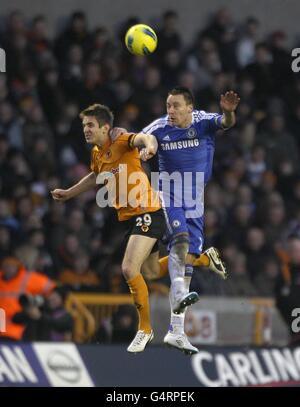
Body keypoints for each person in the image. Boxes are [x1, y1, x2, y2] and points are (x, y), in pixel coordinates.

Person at [51, 103, 197, 353]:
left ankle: (145, 329)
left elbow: (144, 138)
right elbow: (95, 175)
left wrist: (150, 147)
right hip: (134, 218)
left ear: (105, 127)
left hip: (148, 212)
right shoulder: (97, 152)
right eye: (84, 125)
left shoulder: (120, 139)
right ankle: (203, 259)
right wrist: (69, 193)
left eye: (90, 125)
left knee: (129, 268)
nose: (85, 130)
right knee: (149, 272)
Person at [139, 86, 240, 354]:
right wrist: (146, 149)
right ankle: (181, 294)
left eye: (175, 106)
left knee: (187, 264)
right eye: (168, 105)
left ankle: (177, 331)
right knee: (180, 242)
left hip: (195, 197)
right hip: (167, 192)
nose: (170, 110)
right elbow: (140, 139)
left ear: (189, 108)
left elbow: (226, 122)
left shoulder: (204, 121)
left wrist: (229, 113)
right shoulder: (159, 127)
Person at [0, 256, 56, 341]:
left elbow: (52, 289)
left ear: (17, 266)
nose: (8, 269)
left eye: (11, 266)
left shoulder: (27, 278)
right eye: (6, 266)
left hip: (18, 328)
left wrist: (37, 302)